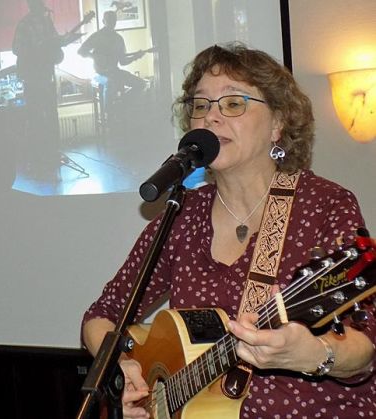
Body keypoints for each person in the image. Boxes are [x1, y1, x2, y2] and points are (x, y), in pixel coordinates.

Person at [81, 43, 375, 418]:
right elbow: (102, 314)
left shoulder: (323, 204)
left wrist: (316, 354)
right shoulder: (183, 214)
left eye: (233, 103)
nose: (211, 117)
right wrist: (123, 371)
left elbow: (365, 348)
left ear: (278, 123)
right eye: (201, 105)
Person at [12, 0, 79, 170]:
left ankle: (53, 152)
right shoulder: (24, 25)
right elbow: (16, 48)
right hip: (32, 77)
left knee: (51, 113)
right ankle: (37, 155)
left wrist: (65, 40)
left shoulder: (46, 21)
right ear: (32, 6)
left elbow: (54, 42)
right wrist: (37, 49)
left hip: (46, 74)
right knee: (35, 116)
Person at [77, 10, 147, 111]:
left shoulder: (118, 39)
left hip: (114, 72)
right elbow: (81, 51)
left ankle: (120, 105)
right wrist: (94, 56)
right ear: (103, 21)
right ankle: (109, 115)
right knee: (110, 83)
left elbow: (123, 62)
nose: (111, 22)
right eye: (109, 20)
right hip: (100, 74)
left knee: (141, 84)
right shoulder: (97, 36)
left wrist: (136, 57)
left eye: (113, 20)